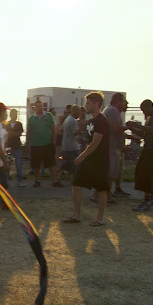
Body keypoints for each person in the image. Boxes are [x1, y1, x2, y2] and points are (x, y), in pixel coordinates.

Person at [63, 92, 110, 226]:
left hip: (100, 161)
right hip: (89, 160)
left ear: (96, 104)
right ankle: (76, 215)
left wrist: (80, 156)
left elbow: (95, 143)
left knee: (101, 189)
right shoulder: (91, 121)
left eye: (88, 103)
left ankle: (100, 219)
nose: (86, 106)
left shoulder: (101, 121)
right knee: (76, 184)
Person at [126, 99, 153, 212]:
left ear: (149, 107)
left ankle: (148, 200)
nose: (143, 113)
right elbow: (145, 134)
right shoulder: (149, 118)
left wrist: (137, 125)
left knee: (147, 173)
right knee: (140, 171)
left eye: (144, 110)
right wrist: (132, 128)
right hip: (148, 148)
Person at [99, 93, 129, 202]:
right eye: (124, 101)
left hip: (111, 145)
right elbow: (115, 128)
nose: (125, 103)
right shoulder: (113, 111)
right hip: (110, 146)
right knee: (110, 172)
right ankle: (106, 195)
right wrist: (129, 126)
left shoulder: (111, 110)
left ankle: (108, 193)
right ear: (118, 101)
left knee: (112, 171)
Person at [26, 100, 64, 188]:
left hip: (47, 144)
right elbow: (28, 132)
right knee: (36, 165)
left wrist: (54, 141)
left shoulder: (49, 116)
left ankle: (55, 180)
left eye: (41, 106)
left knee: (51, 164)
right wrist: (27, 144)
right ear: (34, 107)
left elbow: (53, 129)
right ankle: (37, 180)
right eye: (38, 106)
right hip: (35, 144)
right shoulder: (31, 118)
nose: (40, 108)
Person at [60, 105, 81, 178]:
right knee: (76, 161)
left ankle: (59, 171)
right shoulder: (73, 120)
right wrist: (81, 128)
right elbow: (75, 132)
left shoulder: (67, 119)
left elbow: (61, 129)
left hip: (66, 145)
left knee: (68, 162)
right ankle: (76, 178)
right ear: (74, 111)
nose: (79, 113)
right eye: (78, 111)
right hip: (72, 146)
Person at [6, 108, 25, 186]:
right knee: (7, 165)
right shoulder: (6, 123)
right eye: (14, 114)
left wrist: (11, 133)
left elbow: (19, 134)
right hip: (8, 147)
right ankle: (6, 181)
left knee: (19, 164)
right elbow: (6, 133)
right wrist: (14, 133)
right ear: (10, 115)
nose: (15, 116)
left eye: (16, 115)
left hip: (17, 146)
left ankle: (20, 181)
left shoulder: (19, 124)